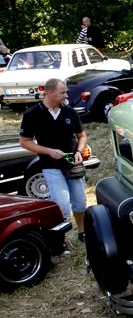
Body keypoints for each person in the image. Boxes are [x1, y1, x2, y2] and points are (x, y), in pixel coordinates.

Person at [18, 78, 88, 240]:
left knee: (80, 202)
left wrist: (79, 150)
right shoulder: (32, 114)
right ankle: (59, 239)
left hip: (73, 164)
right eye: (62, 92)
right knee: (61, 205)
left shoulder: (70, 112)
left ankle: (82, 232)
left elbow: (82, 135)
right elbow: (25, 142)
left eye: (66, 92)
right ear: (48, 92)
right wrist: (48, 151)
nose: (66, 95)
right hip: (50, 165)